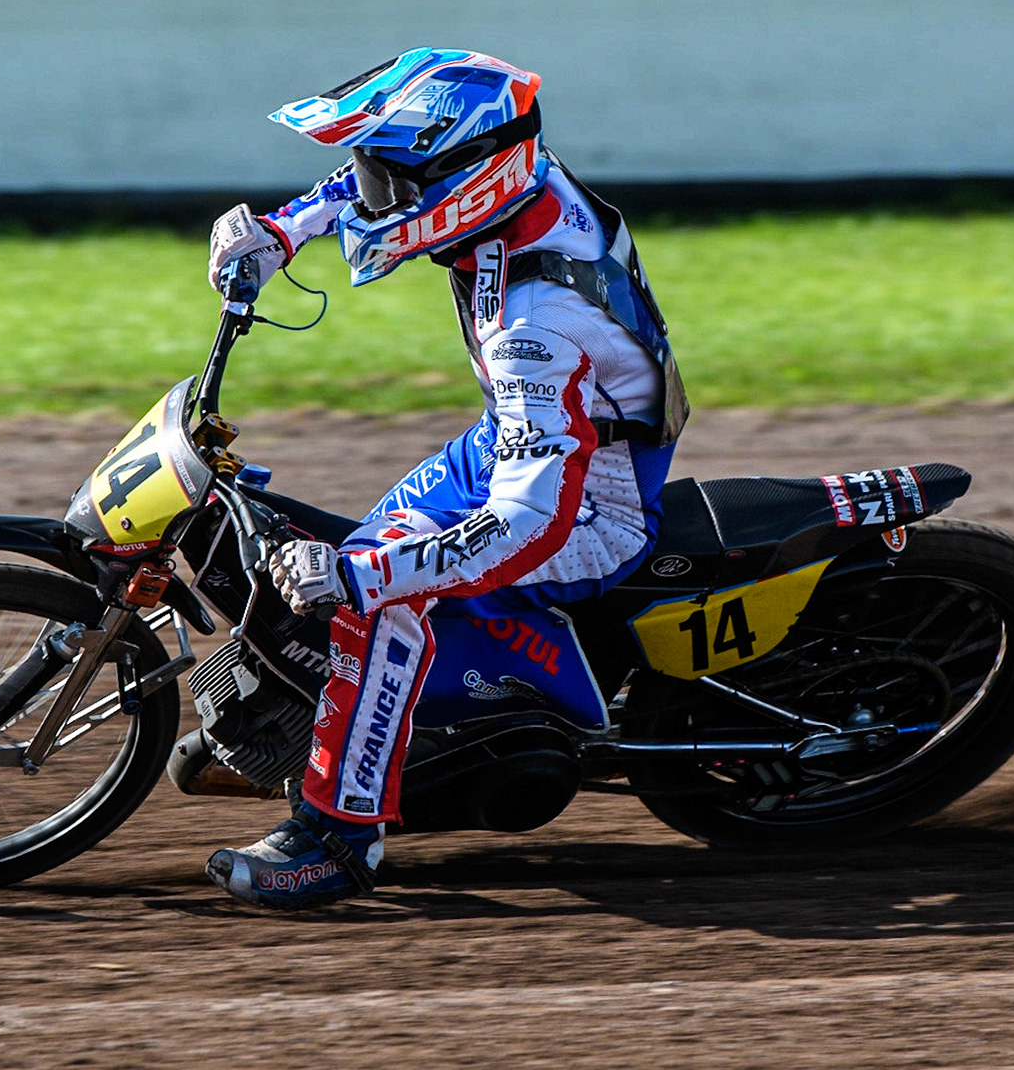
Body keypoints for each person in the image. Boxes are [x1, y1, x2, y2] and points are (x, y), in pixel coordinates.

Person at [201, 48, 688, 910]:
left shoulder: (536, 325)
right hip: (529, 441)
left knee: (372, 593)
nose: (368, 194)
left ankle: (339, 838)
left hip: (587, 503)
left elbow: (529, 524)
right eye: (371, 172)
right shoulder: (518, 182)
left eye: (387, 179)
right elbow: (379, 188)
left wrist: (363, 578)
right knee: (364, 556)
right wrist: (282, 231)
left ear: (462, 182)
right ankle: (342, 724)